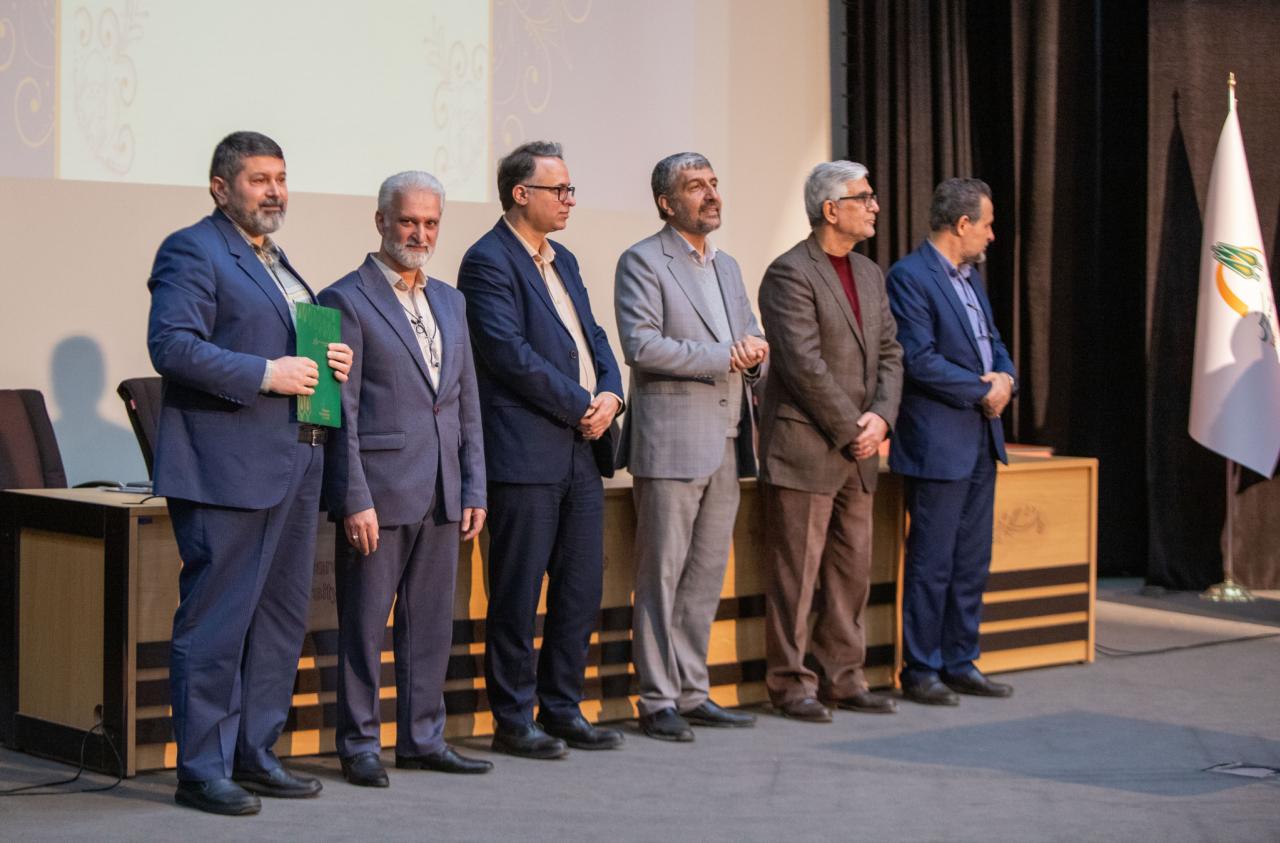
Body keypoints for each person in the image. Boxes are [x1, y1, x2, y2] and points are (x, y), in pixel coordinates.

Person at [147, 131, 353, 815]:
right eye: (260, 179)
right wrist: (266, 373)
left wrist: (330, 360)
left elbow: (289, 344)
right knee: (217, 622)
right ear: (220, 187)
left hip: (296, 457)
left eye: (281, 178)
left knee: (279, 619)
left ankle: (255, 753)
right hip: (227, 467)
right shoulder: (193, 249)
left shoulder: (276, 260)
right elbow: (171, 345)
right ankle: (202, 768)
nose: (275, 191)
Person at [319, 171, 491, 787]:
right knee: (365, 627)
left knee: (429, 626)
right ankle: (359, 744)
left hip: (444, 490)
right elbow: (341, 414)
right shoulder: (343, 299)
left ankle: (422, 738)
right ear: (381, 222)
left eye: (430, 223)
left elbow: (465, 401)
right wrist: (353, 496)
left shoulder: (452, 300)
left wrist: (474, 486)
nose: (420, 233)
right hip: (379, 492)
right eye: (408, 221)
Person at [457, 141, 625, 759]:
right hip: (525, 451)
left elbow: (594, 336)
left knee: (579, 588)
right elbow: (507, 354)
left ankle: (562, 707)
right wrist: (581, 402)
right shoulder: (487, 260)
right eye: (560, 189)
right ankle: (513, 718)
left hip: (582, 449)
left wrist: (612, 394)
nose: (570, 200)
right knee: (517, 591)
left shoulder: (566, 259)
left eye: (571, 189)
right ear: (520, 193)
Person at [614, 153, 767, 741]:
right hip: (672, 441)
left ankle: (692, 691)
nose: (710, 194)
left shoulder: (727, 265)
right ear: (666, 202)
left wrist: (755, 357)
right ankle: (656, 699)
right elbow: (642, 345)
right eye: (695, 186)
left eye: (713, 183)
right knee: (661, 576)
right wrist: (727, 355)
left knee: (704, 576)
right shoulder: (643, 260)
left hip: (728, 438)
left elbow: (748, 335)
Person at [756, 160, 903, 723]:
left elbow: (891, 353)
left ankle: (843, 676)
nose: (875, 206)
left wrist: (881, 418)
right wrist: (853, 428)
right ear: (831, 209)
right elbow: (802, 365)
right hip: (807, 448)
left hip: (859, 450)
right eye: (865, 197)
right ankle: (790, 683)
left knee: (850, 572)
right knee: (795, 577)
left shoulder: (869, 272)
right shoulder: (789, 272)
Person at [886, 177, 1017, 705]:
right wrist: (984, 391)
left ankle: (961, 661)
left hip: (982, 437)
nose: (991, 235)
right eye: (987, 224)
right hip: (938, 442)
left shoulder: (972, 279)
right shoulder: (909, 276)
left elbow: (994, 344)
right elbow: (918, 360)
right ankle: (921, 670)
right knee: (932, 563)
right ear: (962, 224)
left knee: (970, 562)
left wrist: (1006, 379)